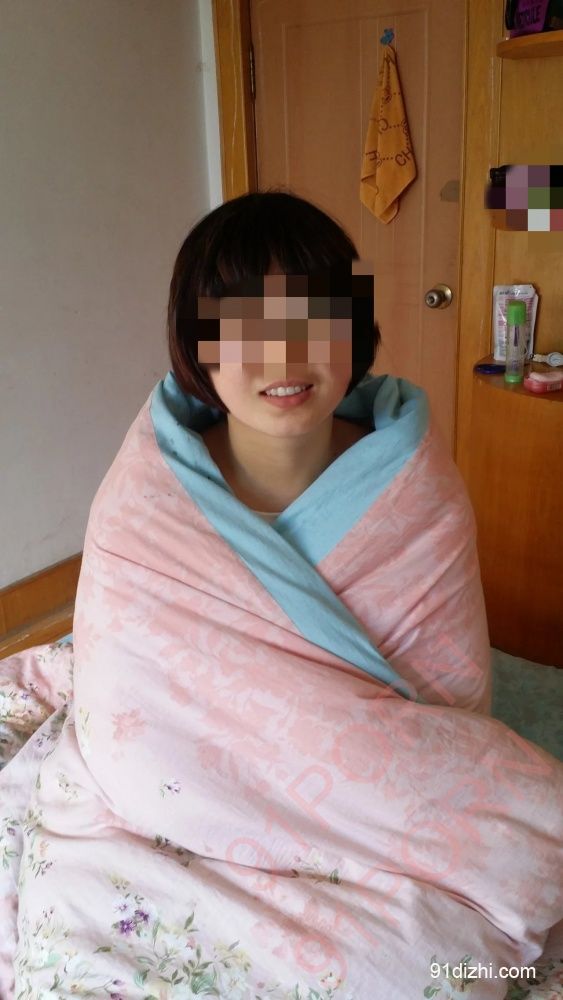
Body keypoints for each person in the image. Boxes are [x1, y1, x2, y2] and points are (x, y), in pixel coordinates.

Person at [1, 191, 562, 1000]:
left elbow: (446, 701)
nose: (284, 355)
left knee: (424, 973)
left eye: (314, 317)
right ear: (197, 344)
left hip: (371, 834)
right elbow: (128, 700)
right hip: (152, 820)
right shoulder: (148, 496)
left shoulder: (414, 491)